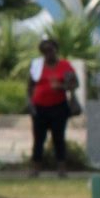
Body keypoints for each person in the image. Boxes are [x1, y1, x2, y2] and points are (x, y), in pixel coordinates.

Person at [28, 33, 78, 172]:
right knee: (38, 139)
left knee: (58, 138)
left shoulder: (64, 65)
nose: (48, 54)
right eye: (45, 51)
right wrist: (30, 104)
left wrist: (61, 87)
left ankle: (61, 167)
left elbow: (74, 83)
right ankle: (36, 167)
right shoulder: (37, 66)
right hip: (39, 107)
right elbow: (30, 86)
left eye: (51, 50)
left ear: (56, 50)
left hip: (58, 107)